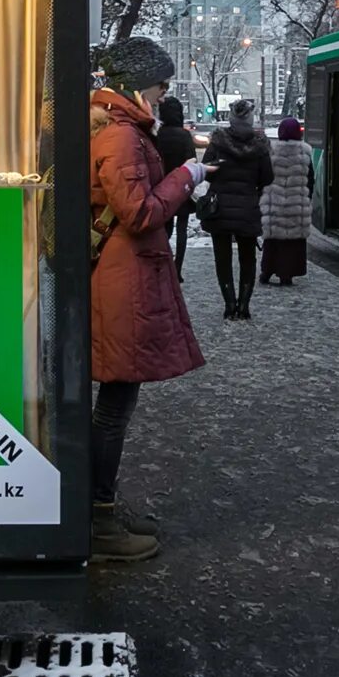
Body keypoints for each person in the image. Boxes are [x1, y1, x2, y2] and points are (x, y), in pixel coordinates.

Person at [89, 37, 213, 562]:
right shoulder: (121, 137)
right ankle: (97, 520)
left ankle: (101, 509)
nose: (161, 98)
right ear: (135, 87)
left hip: (121, 277)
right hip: (124, 283)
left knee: (116, 402)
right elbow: (138, 213)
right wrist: (188, 176)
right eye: (158, 88)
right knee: (114, 406)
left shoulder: (118, 131)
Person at [203, 99, 274, 320]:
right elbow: (267, 177)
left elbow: (206, 171)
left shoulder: (218, 142)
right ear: (251, 119)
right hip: (247, 209)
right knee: (247, 258)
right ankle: (244, 306)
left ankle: (229, 304)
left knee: (222, 258)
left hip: (221, 208)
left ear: (231, 118)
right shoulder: (260, 146)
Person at [259, 117, 314, 286]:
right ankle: (287, 274)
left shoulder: (272, 152)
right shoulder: (304, 153)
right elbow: (310, 179)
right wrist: (305, 198)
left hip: (274, 204)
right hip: (296, 206)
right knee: (292, 243)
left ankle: (267, 272)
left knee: (272, 241)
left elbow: (263, 178)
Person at [151, 96, 198, 279]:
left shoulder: (157, 135)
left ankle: (165, 265)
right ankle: (177, 268)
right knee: (182, 229)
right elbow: (191, 161)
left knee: (165, 229)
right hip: (182, 185)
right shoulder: (184, 136)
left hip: (163, 187)